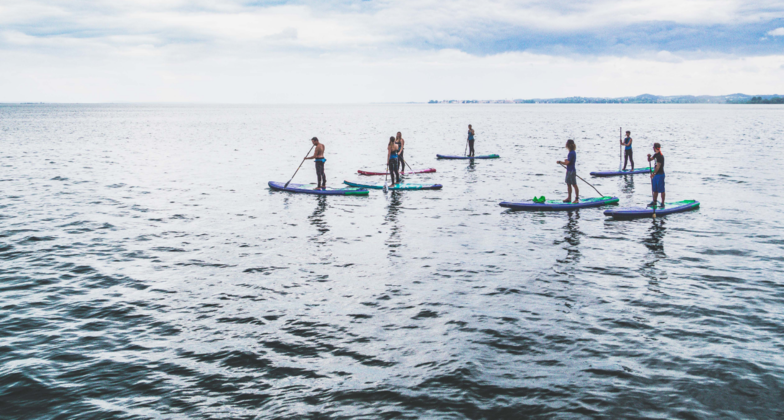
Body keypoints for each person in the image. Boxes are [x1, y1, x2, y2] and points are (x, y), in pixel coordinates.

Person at [647, 143, 665, 207]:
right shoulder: (656, 154)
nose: (653, 149)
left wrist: (653, 174)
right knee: (655, 189)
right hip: (656, 175)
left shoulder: (660, 156)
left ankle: (662, 203)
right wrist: (648, 157)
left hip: (660, 174)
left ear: (655, 148)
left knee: (661, 190)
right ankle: (654, 202)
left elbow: (658, 166)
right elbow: (649, 160)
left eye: (653, 147)